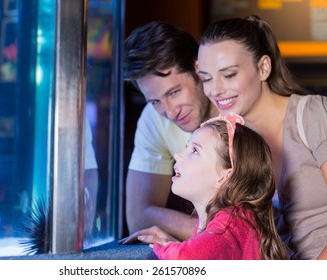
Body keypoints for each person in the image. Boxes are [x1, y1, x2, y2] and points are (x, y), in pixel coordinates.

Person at [197, 15, 327, 259]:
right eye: (206, 78)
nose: (214, 90)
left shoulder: (313, 114)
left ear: (263, 68)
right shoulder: (234, 142)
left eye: (229, 74)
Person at [120, 113, 288, 260]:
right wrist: (171, 243)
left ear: (225, 176)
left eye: (194, 151)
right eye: (187, 147)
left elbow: (185, 259)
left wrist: (163, 248)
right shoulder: (229, 219)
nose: (178, 155)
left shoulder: (230, 225)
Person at [123, 21, 218, 241]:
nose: (170, 111)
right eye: (155, 100)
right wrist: (211, 235)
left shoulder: (237, 103)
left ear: (198, 70)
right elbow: (138, 216)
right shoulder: (153, 118)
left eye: (174, 92)